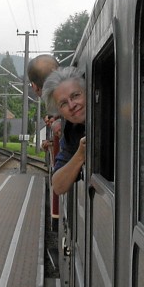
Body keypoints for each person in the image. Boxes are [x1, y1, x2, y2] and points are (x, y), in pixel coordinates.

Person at [42, 67, 87, 195]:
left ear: (87, 92)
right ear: (60, 113)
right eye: (63, 104)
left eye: (76, 96)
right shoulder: (71, 132)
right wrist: (80, 154)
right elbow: (58, 186)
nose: (72, 105)